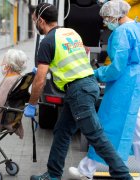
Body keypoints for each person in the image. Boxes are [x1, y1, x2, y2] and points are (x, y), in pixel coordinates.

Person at [23, 2, 133, 180]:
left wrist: (32, 104)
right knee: (62, 130)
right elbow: (76, 56)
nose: (36, 24)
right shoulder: (71, 32)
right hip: (88, 84)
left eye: (35, 20)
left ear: (41, 21)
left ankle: (123, 175)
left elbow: (40, 80)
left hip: (78, 90)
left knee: (96, 136)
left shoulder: (47, 41)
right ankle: (53, 174)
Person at [68, 1, 140, 179]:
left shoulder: (122, 32)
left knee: (107, 125)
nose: (106, 22)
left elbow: (117, 67)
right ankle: (88, 169)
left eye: (107, 18)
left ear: (115, 14)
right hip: (135, 83)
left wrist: (96, 73)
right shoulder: (137, 27)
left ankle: (86, 170)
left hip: (124, 86)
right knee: (135, 128)